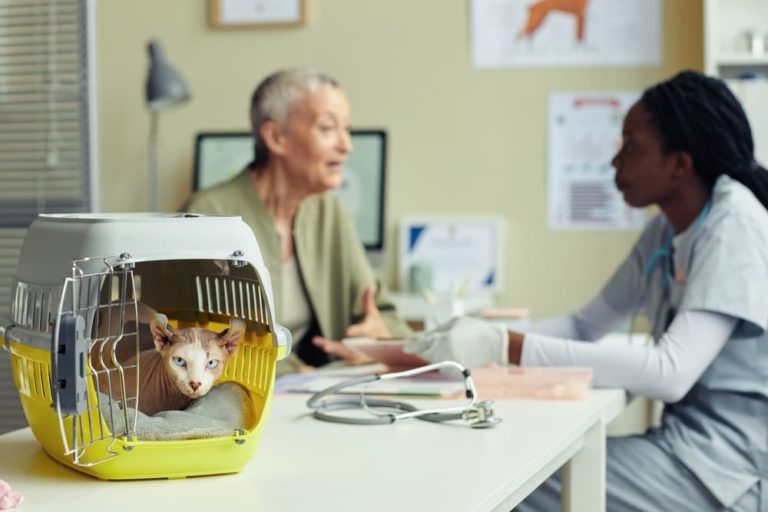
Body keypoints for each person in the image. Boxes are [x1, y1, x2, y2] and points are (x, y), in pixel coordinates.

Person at [406, 70, 768, 511]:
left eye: (631, 146)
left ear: (679, 165)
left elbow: (671, 372)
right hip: (689, 449)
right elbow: (583, 324)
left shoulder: (735, 226)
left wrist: (506, 346)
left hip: (730, 471)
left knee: (508, 481)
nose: (615, 161)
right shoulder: (665, 232)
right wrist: (481, 338)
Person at [183, 69, 411, 375]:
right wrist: (291, 371)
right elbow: (196, 340)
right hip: (246, 399)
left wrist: (377, 335)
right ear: (276, 137)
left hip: (316, 391)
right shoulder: (208, 216)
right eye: (328, 128)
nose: (347, 145)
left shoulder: (327, 211)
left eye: (347, 129)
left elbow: (383, 314)